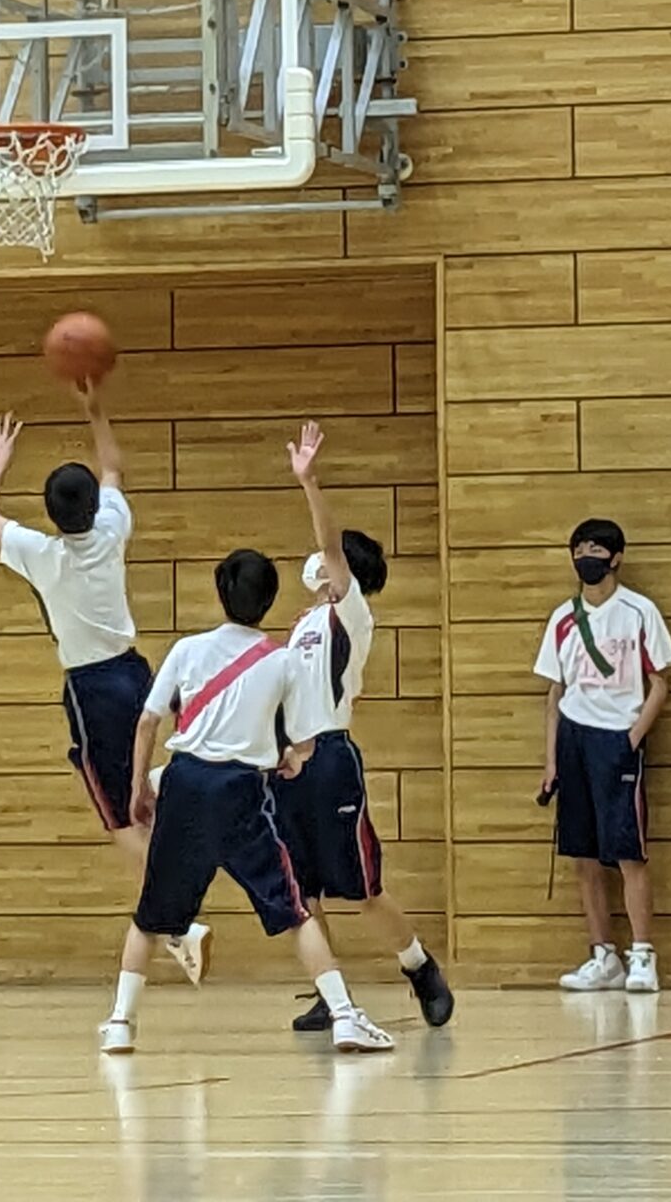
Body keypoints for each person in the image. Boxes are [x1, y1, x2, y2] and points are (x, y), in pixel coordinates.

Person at [99, 548, 393, 1056]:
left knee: (151, 912)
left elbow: (148, 721)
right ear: (271, 599)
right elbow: (303, 743)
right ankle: (345, 1016)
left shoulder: (187, 649)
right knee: (295, 911)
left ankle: (121, 1023)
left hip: (184, 786)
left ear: (221, 593)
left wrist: (138, 788)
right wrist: (287, 758)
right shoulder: (283, 661)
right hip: (241, 793)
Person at [0, 386, 210, 984]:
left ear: (51, 515)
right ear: (94, 506)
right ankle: (168, 824)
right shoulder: (111, 530)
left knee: (118, 819)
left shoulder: (42, 553)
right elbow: (114, 469)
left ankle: (179, 918)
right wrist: (95, 410)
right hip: (136, 673)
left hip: (92, 690)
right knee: (139, 796)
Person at [274, 422, 453, 1032]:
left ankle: (419, 966)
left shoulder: (352, 612)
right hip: (289, 764)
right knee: (302, 893)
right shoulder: (304, 622)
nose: (315, 562)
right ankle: (331, 994)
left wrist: (309, 482)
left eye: (327, 558)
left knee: (363, 889)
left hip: (330, 761)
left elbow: (329, 541)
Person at [536, 518, 671, 994]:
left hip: (617, 738)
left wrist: (631, 738)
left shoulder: (639, 611)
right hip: (573, 738)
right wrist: (551, 759)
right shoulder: (563, 618)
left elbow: (660, 683)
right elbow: (555, 692)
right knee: (583, 855)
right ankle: (603, 956)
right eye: (578, 549)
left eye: (595, 549)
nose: (586, 557)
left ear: (616, 557)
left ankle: (643, 955)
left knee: (628, 853)